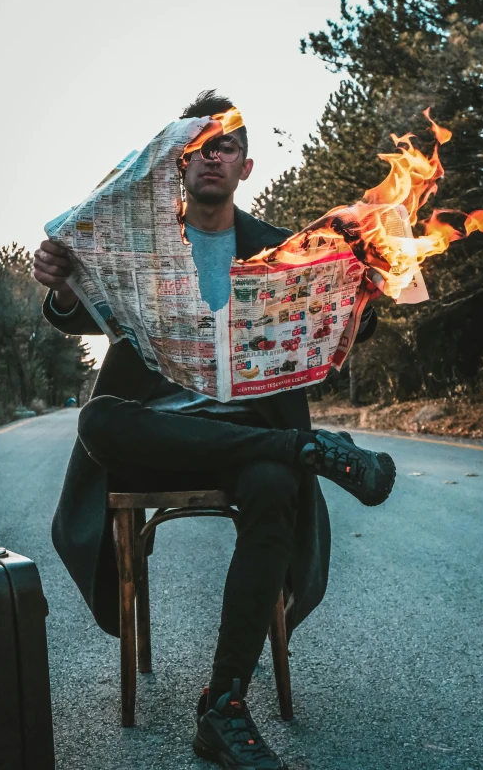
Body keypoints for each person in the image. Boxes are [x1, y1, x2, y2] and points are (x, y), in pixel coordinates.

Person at [34, 90, 395, 770]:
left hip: (243, 439)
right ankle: (302, 450)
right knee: (97, 418)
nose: (210, 155)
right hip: (153, 438)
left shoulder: (279, 248)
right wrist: (58, 286)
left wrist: (362, 294)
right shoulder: (141, 242)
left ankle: (223, 704)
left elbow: (327, 325)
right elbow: (76, 311)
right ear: (178, 162)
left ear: (246, 164)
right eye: (196, 145)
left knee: (271, 483)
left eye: (224, 144)